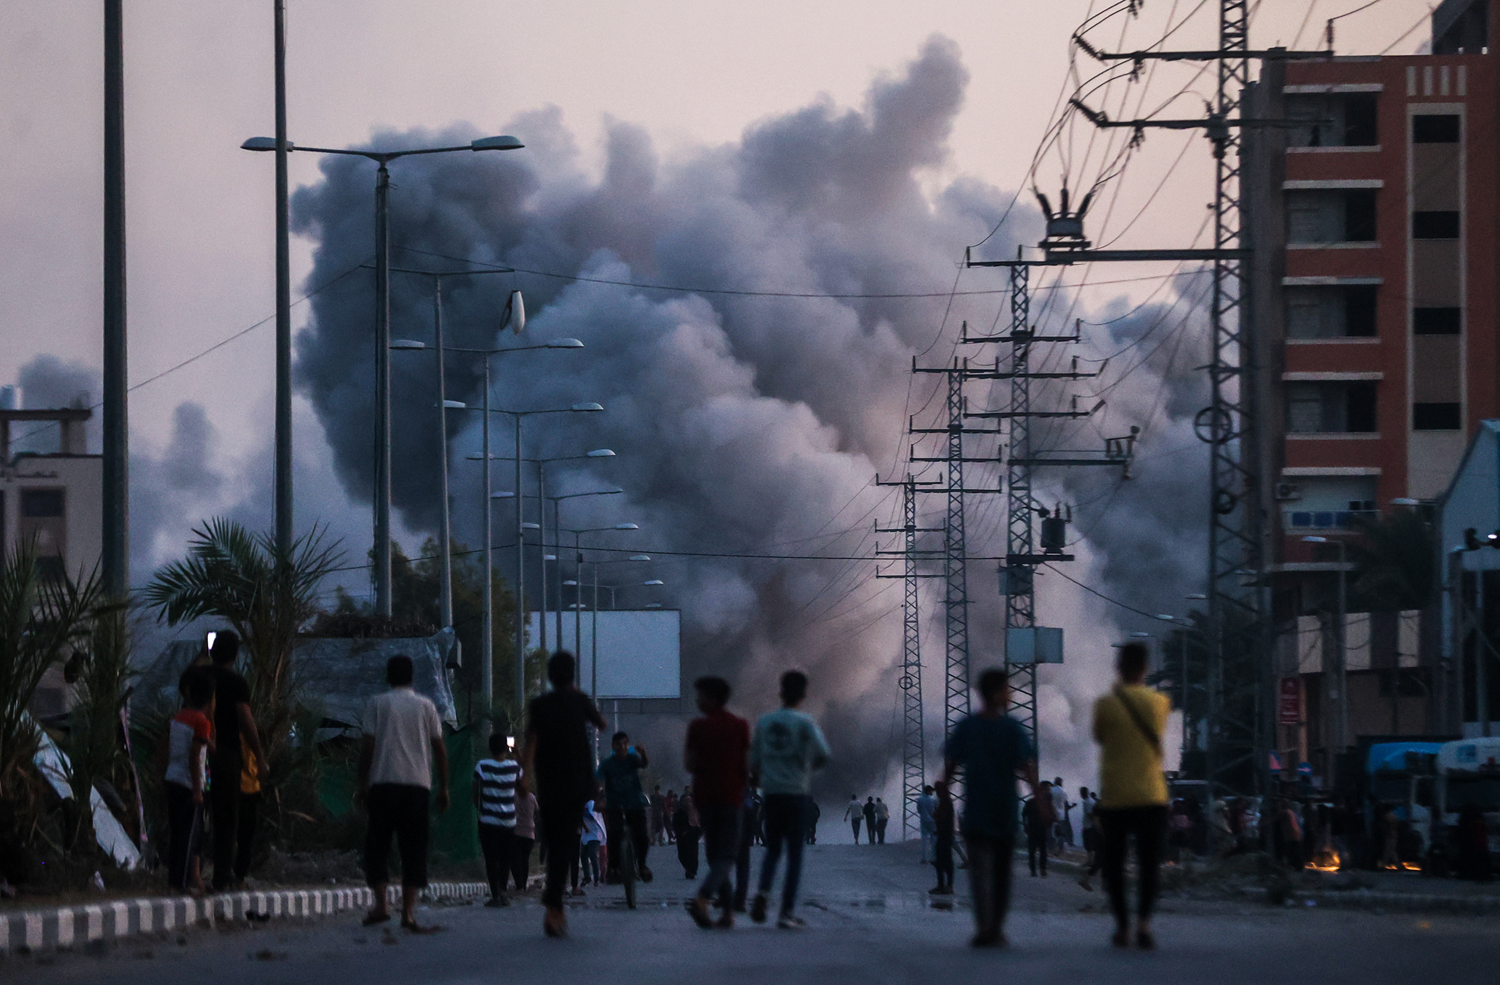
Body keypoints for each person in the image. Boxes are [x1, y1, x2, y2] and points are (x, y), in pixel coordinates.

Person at [942, 668, 1037, 949]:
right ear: (997, 693)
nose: (1012, 694)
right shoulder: (1013, 728)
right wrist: (1040, 801)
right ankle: (994, 927)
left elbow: (950, 766)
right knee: (1001, 873)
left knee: (980, 873)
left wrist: (944, 799)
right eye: (1008, 689)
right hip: (1003, 811)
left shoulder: (967, 727)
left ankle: (984, 927)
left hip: (977, 811)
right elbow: (1027, 767)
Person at [357, 655, 450, 933]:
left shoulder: (377, 703)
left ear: (388, 676)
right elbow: (440, 749)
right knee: (414, 850)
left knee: (378, 847)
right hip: (417, 787)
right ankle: (408, 913)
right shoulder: (426, 706)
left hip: (383, 784)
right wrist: (444, 787)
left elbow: (368, 747)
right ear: (412, 678)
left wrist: (361, 783)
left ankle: (381, 905)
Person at [522, 651, 608, 938]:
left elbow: (531, 742)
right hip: (576, 783)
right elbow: (603, 724)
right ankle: (554, 906)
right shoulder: (579, 701)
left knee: (556, 843)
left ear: (549, 675)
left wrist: (525, 776)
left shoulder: (540, 704)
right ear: (573, 674)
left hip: (549, 783)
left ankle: (554, 906)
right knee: (564, 846)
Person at [1092, 640, 1171, 951]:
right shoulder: (1160, 703)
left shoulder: (1105, 705)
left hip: (1116, 797)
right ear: (1145, 669)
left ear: (1118, 667)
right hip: (1152, 795)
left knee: (1114, 864)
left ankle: (1122, 926)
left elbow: (1100, 736)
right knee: (1149, 864)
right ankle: (1144, 924)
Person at [749, 670, 830, 929]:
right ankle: (785, 913)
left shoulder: (764, 722)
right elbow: (823, 755)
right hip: (797, 794)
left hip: (772, 796)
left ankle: (762, 893)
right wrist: (806, 768)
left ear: (780, 691)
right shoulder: (805, 723)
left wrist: (761, 778)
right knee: (795, 855)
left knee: (772, 851)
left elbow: (753, 763)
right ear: (804, 694)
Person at [684, 676, 751, 928]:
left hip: (706, 799)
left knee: (715, 856)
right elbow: (745, 766)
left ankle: (726, 914)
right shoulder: (740, 726)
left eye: (700, 695)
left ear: (712, 699)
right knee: (726, 856)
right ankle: (704, 898)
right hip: (731, 798)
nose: (697, 700)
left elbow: (689, 764)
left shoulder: (697, 727)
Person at [206, 631, 265, 891]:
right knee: (226, 816)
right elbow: (246, 720)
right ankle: (222, 874)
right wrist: (260, 756)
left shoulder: (200, 679)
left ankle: (191, 872)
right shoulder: (236, 683)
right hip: (226, 753)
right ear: (235, 655)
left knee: (197, 813)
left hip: (197, 751)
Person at [163, 666, 215, 894]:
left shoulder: (178, 717)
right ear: (210, 700)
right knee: (188, 836)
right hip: (187, 783)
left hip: (171, 779)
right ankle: (181, 883)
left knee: (176, 834)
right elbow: (196, 756)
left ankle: (174, 880)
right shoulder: (202, 723)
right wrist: (197, 789)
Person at [597, 731, 653, 884]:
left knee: (642, 836)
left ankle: (641, 865)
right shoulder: (607, 764)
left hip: (635, 804)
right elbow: (598, 781)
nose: (621, 747)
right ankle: (614, 868)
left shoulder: (633, 759)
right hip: (614, 805)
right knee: (614, 835)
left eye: (624, 744)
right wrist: (598, 801)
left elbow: (644, 764)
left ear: (628, 746)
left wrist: (643, 753)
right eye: (618, 744)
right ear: (613, 746)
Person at [473, 733, 521, 906]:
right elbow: (523, 780)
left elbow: (475, 792)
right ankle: (503, 891)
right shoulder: (514, 767)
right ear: (506, 748)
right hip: (509, 822)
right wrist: (516, 752)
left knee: (491, 859)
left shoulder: (482, 766)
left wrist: (482, 809)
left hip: (488, 821)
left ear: (489, 748)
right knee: (505, 858)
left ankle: (495, 896)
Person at [929, 780, 956, 895]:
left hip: (946, 835)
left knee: (946, 861)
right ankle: (942, 885)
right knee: (940, 861)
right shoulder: (944, 802)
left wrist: (936, 817)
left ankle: (947, 886)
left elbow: (941, 817)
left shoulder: (946, 802)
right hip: (943, 834)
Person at [511, 785, 538, 893]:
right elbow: (537, 810)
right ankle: (524, 884)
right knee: (524, 860)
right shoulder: (532, 797)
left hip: (516, 831)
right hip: (530, 833)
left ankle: (519, 885)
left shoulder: (514, 797)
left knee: (515, 860)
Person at [674, 786, 701, 878]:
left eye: (689, 802)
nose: (688, 804)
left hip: (692, 837)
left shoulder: (695, 813)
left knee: (693, 855)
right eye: (686, 802)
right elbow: (675, 825)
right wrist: (680, 833)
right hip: (682, 838)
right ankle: (688, 868)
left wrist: (698, 834)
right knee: (682, 855)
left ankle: (692, 870)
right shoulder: (678, 814)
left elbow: (699, 825)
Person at [1023, 786, 1050, 877]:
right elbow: (1024, 815)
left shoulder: (1031, 802)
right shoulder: (1038, 803)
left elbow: (1024, 815)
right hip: (1037, 829)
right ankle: (1038, 869)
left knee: (1036, 850)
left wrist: (1025, 826)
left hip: (1037, 829)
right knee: (1039, 850)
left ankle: (1037, 869)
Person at [580, 800, 605, 888]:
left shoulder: (591, 803)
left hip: (595, 832)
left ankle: (596, 878)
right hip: (586, 833)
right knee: (583, 855)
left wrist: (581, 811)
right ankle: (587, 876)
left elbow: (591, 816)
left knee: (592, 854)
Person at [917, 785, 938, 863]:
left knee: (924, 840)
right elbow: (936, 810)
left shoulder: (919, 799)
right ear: (929, 791)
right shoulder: (933, 799)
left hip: (923, 820)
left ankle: (924, 858)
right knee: (934, 840)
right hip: (933, 821)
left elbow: (919, 810)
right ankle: (934, 857)